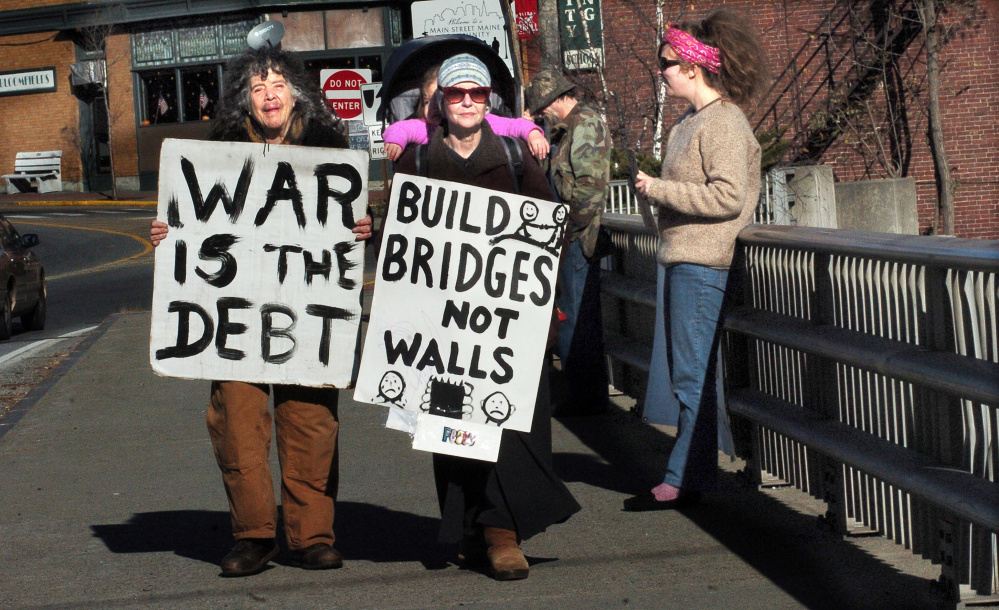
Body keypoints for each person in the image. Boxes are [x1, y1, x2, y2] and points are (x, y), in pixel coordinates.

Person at [150, 45, 373, 575]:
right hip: (236, 323)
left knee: (311, 425)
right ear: (243, 102)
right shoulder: (218, 155)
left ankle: (313, 536)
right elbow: (191, 226)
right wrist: (166, 231)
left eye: (277, 85)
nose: (269, 95)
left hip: (305, 318)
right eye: (257, 88)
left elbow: (352, 222)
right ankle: (253, 536)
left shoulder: (330, 152)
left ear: (296, 94)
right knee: (238, 426)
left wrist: (367, 224)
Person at [392, 53, 580, 581]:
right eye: (457, 94)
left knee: (510, 426)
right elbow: (399, 240)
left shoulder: (519, 157)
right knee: (451, 429)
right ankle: (469, 528)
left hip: (508, 327)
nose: (468, 102)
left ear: (489, 99)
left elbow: (550, 232)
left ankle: (503, 533)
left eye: (476, 93)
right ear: (441, 102)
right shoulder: (419, 159)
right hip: (442, 327)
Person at [623, 8, 768, 511]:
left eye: (665, 62)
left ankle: (683, 477)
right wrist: (654, 195)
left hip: (706, 264)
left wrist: (660, 188)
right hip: (684, 259)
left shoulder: (724, 122)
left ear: (691, 66)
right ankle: (690, 473)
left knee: (691, 375)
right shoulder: (690, 123)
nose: (659, 71)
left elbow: (728, 197)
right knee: (688, 373)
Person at [525, 70, 611, 415]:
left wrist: (566, 232)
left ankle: (586, 401)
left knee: (578, 320)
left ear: (559, 99)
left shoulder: (585, 124)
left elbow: (589, 190)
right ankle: (583, 395)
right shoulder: (568, 129)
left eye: (543, 106)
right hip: (570, 236)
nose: (542, 112)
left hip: (578, 237)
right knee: (573, 317)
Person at [382, 64, 549, 161]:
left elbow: (514, 125)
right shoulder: (424, 128)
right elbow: (401, 128)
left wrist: (533, 134)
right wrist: (396, 142)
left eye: (438, 101)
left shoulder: (484, 122)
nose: (433, 108)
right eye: (427, 102)